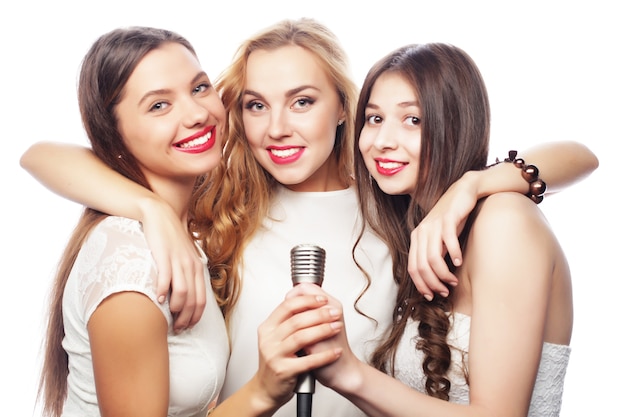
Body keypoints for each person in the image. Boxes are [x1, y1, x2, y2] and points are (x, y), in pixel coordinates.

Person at [21, 19, 598, 417]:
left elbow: (580, 155)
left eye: (302, 101)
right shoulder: (219, 201)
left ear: (344, 109)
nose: (277, 128)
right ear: (235, 113)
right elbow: (39, 155)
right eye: (254, 105)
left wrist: (469, 188)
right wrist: (150, 209)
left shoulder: (390, 200)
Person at [31, 26, 342, 417]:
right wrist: (262, 390)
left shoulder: (188, 226)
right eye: (159, 105)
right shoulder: (133, 263)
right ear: (114, 133)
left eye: (198, 88)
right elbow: (35, 154)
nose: (197, 114)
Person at [290, 42, 586, 416]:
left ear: (456, 125)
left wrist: (350, 374)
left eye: (413, 120)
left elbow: (583, 156)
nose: (382, 142)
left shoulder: (503, 221)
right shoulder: (413, 228)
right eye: (375, 119)